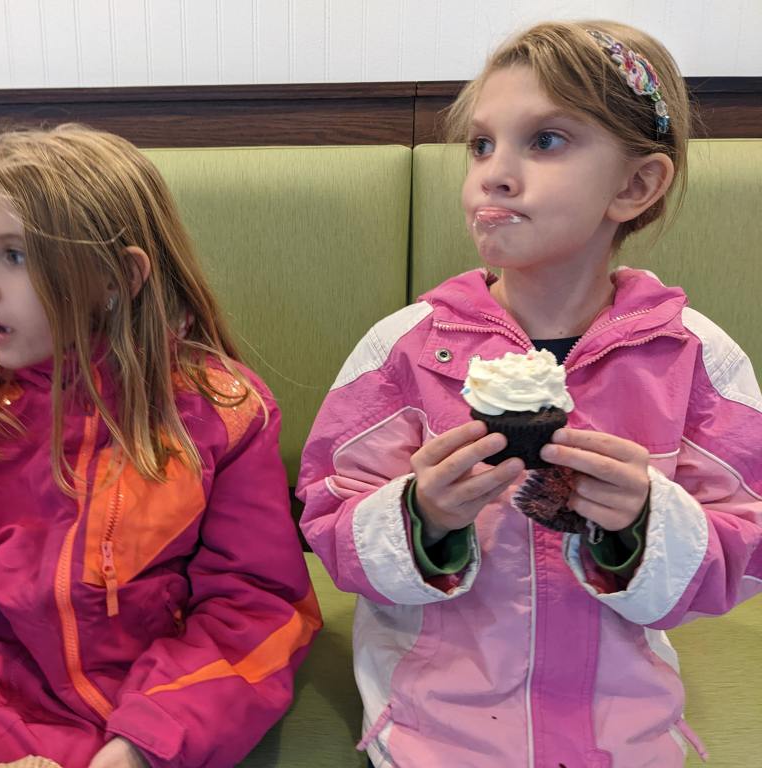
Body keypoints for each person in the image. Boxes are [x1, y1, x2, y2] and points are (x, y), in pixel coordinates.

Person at [297, 19, 762, 767]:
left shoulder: (696, 360)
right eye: (481, 144)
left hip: (621, 730)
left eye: (545, 140)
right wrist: (421, 517)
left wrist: (647, 522)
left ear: (635, 185)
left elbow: (745, 547)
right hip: (432, 726)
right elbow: (327, 518)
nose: (494, 174)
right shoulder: (404, 350)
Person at [0, 125, 320, 768]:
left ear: (117, 278)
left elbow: (255, 608)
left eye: (14, 256)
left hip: (151, 708)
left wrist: (142, 744)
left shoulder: (221, 413)